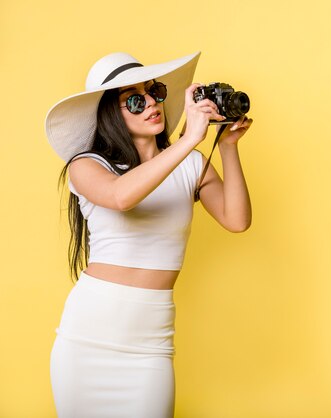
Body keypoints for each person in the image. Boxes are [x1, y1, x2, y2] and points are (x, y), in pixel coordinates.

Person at [45, 51, 253, 417]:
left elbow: (236, 220)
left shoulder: (190, 165)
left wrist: (227, 147)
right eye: (135, 101)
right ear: (111, 115)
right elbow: (121, 196)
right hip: (87, 341)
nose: (153, 105)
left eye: (154, 92)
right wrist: (189, 139)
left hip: (150, 346)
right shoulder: (88, 165)